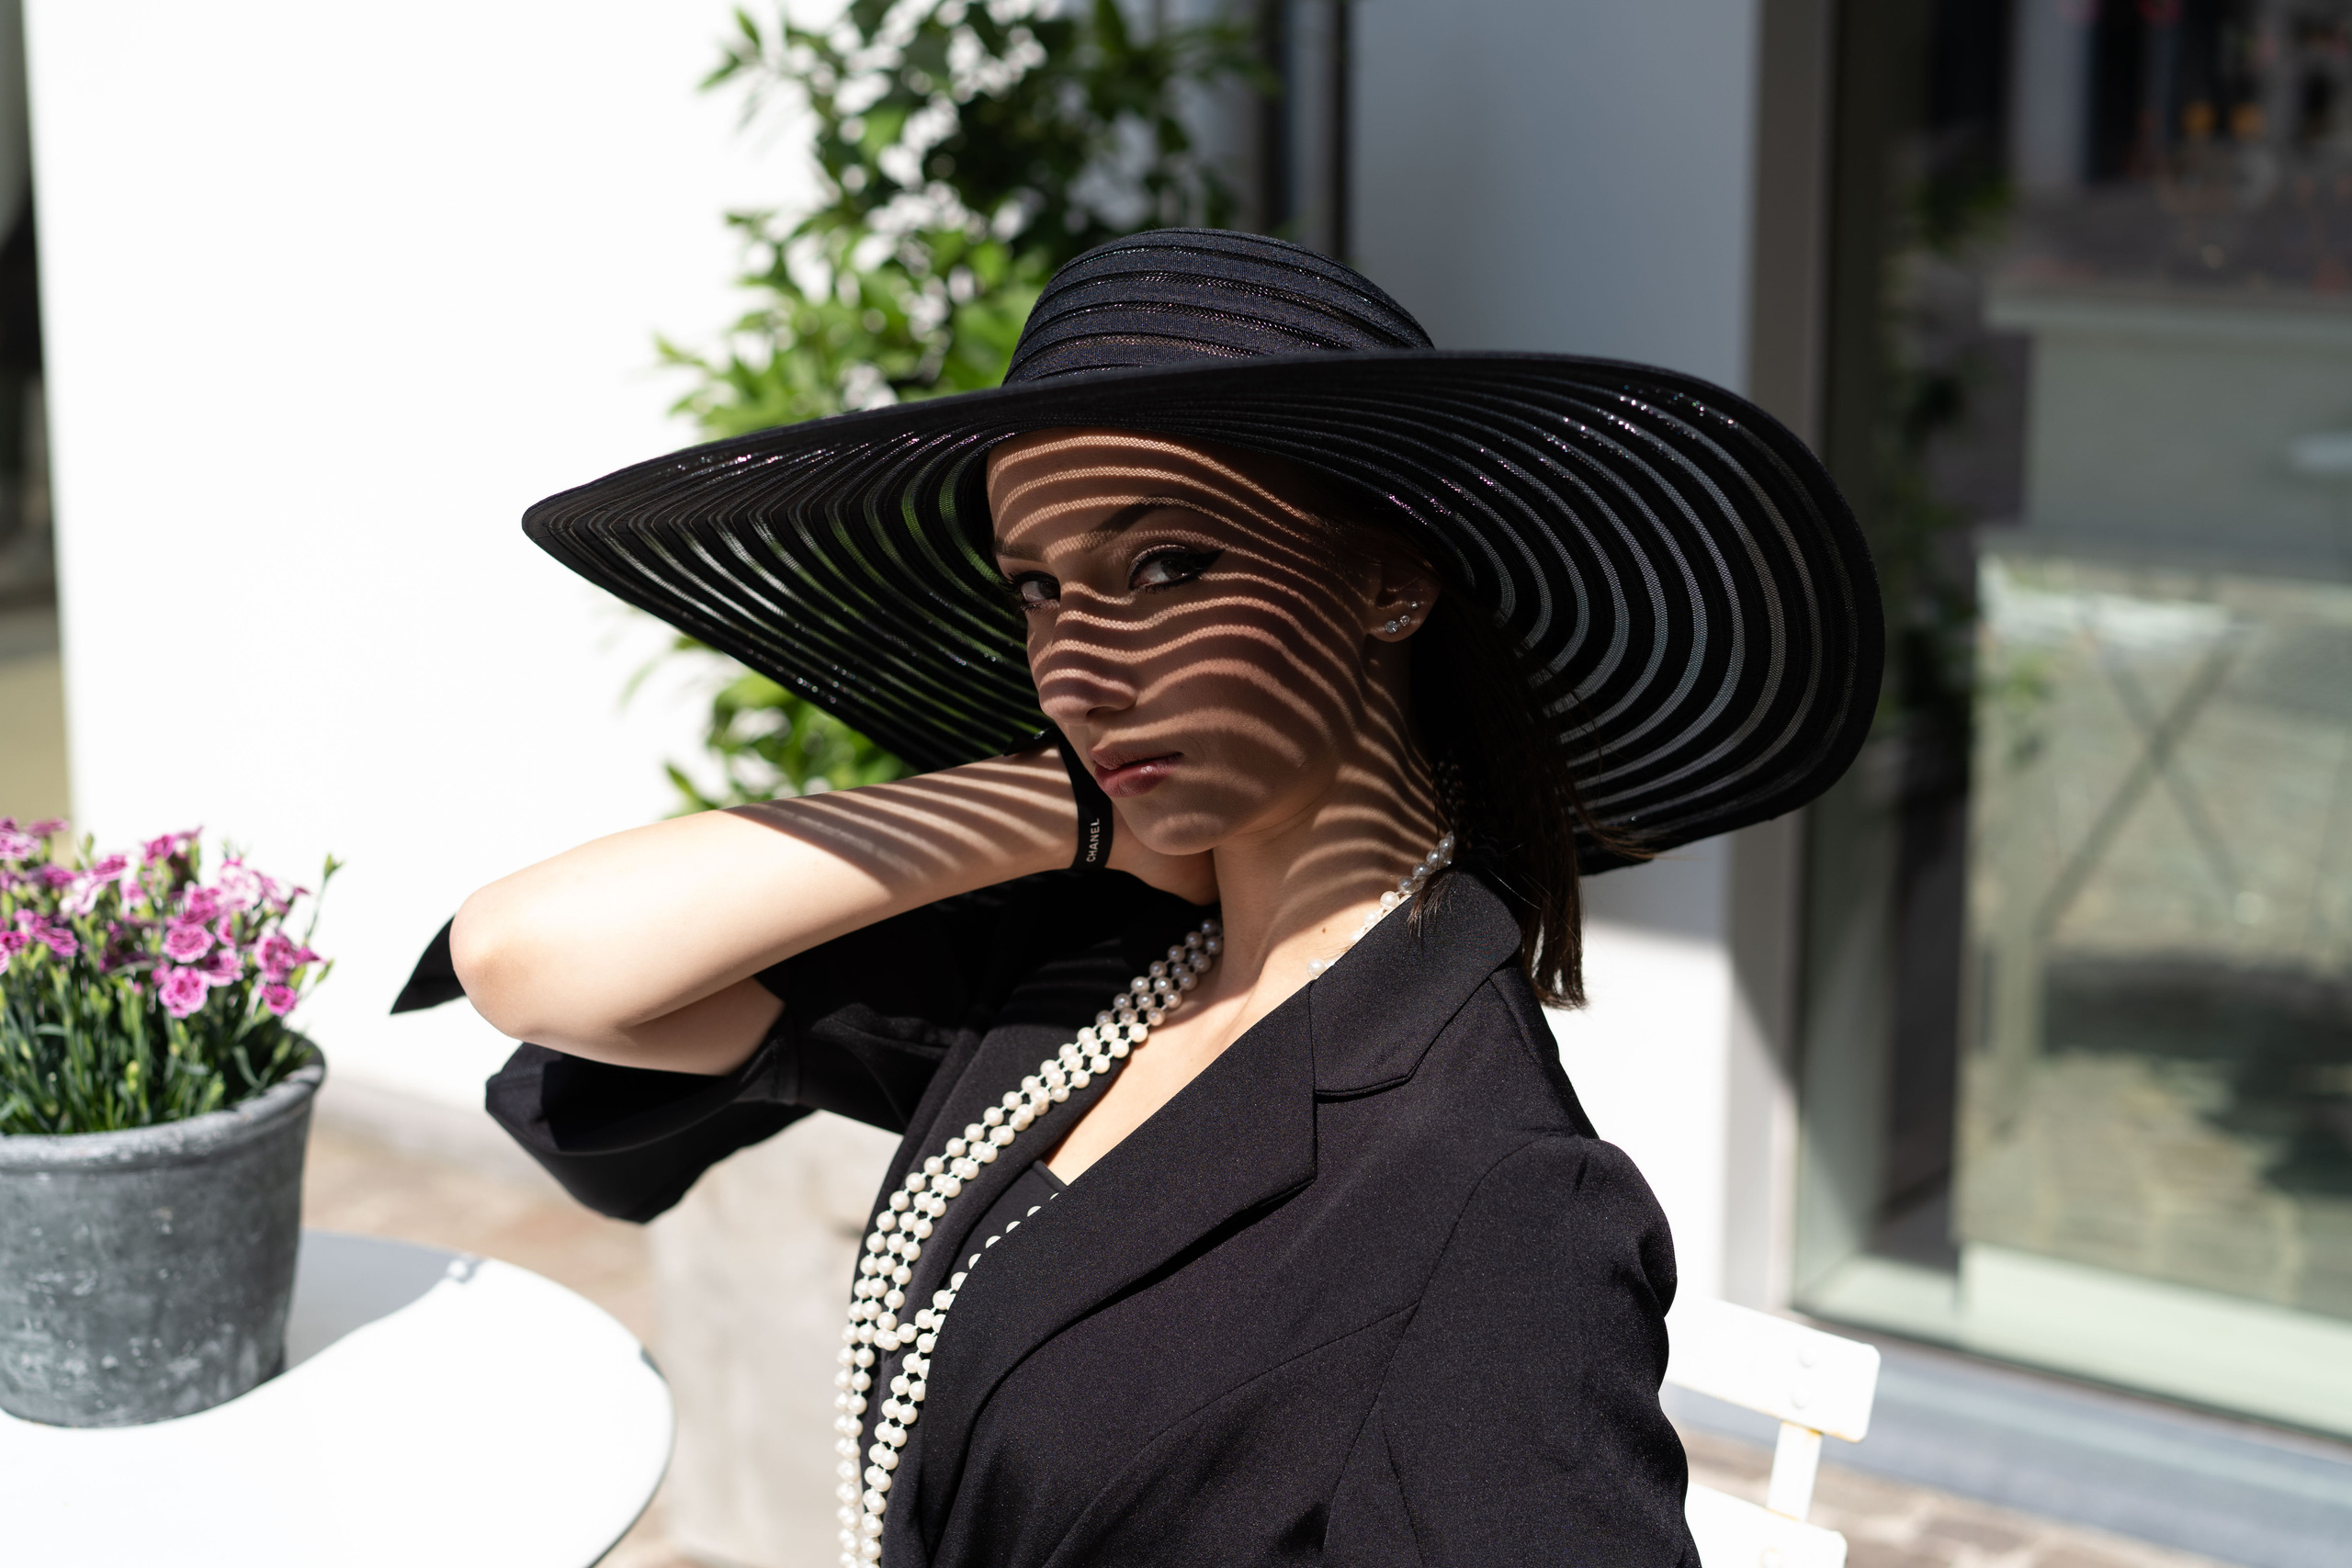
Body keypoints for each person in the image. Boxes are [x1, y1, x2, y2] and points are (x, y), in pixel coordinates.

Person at [401, 230, 1881, 1568]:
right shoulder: (1088, 978)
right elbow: (534, 962)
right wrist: (1067, 802)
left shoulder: (1491, 1200)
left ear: (1389, 585)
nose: (1076, 666)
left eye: (1166, 565)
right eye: (1039, 587)